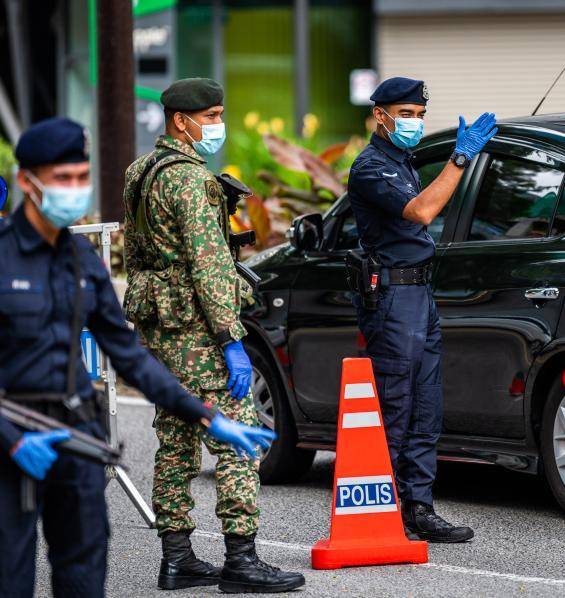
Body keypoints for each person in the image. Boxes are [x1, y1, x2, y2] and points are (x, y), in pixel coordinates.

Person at [0, 117, 276, 598]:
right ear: (28, 181)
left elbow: (130, 357)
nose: (75, 189)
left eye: (81, 177)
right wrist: (10, 439)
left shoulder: (82, 260)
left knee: (84, 577)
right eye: (62, 179)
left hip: (76, 436)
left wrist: (208, 415)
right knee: (12, 576)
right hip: (13, 437)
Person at [122, 79, 304, 593]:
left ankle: (177, 559)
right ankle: (242, 561)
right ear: (183, 121)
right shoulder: (189, 180)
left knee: (175, 442)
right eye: (213, 114)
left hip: (160, 327)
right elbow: (209, 266)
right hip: (200, 334)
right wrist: (230, 338)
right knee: (238, 442)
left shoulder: (140, 172)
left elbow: (136, 255)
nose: (218, 124)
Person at [347, 76, 497, 542]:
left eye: (419, 114)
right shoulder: (371, 167)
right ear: (381, 116)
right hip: (393, 299)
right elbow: (422, 213)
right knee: (398, 406)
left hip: (419, 296)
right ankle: (382, 510)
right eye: (406, 114)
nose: (414, 122)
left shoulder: (402, 160)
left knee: (426, 409)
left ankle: (419, 508)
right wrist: (460, 157)